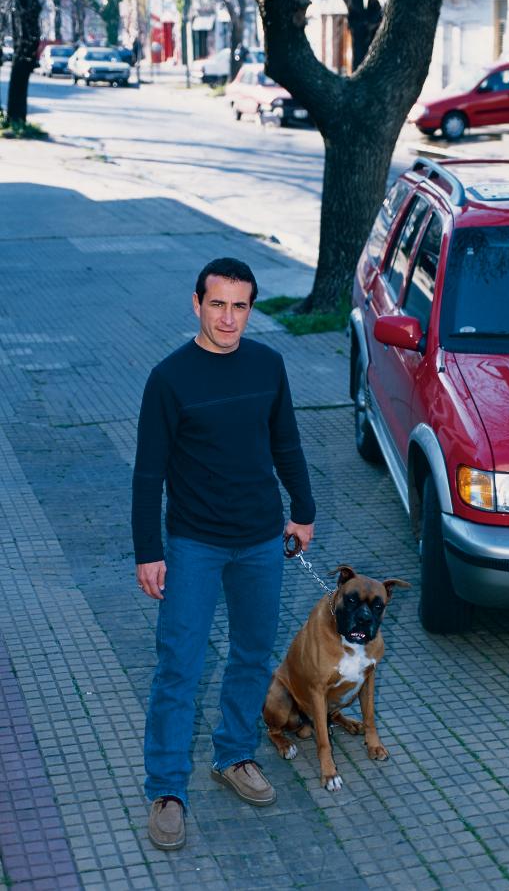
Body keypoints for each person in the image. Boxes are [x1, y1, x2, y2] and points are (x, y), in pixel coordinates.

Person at [132, 257, 315, 851]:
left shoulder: (268, 364)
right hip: (193, 544)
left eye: (240, 306)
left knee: (251, 653)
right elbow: (147, 473)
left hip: (261, 539)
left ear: (250, 309)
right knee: (179, 665)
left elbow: (285, 440)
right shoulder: (169, 378)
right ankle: (165, 788)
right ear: (196, 304)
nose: (229, 317)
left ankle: (234, 754)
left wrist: (304, 510)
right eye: (218, 304)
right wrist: (148, 551)